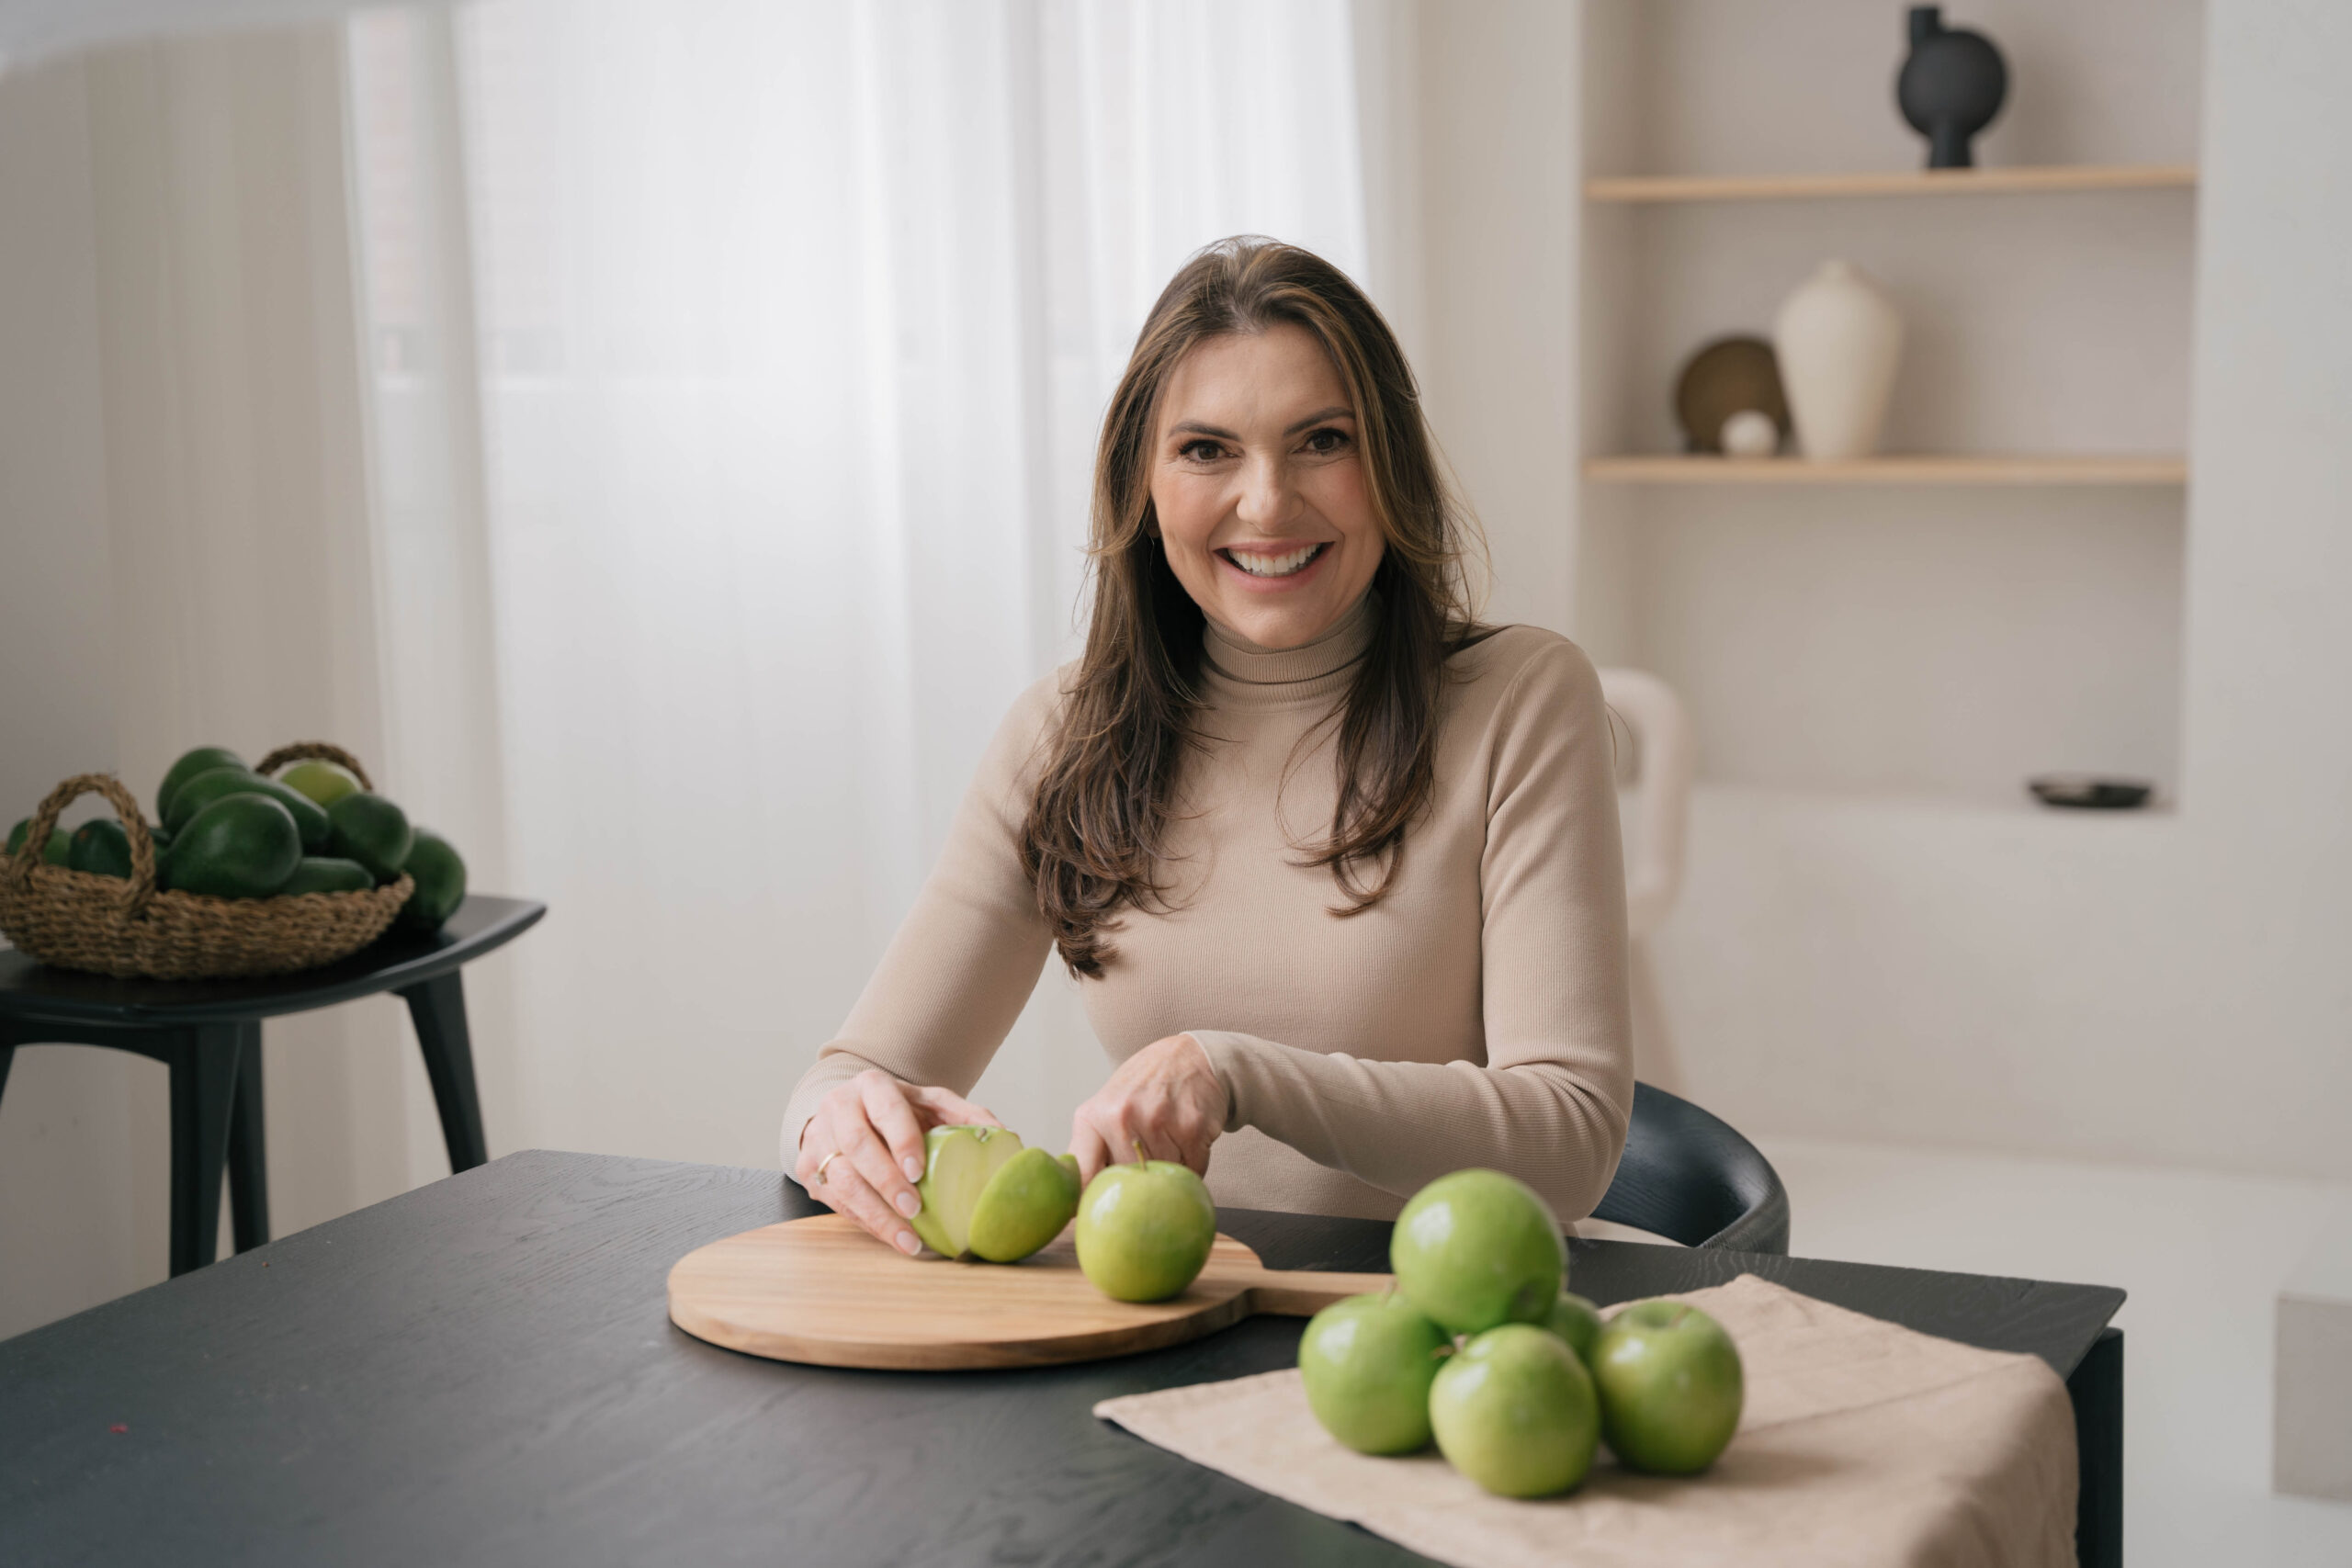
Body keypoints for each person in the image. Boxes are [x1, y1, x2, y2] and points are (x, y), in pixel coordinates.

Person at [782, 236, 1631, 1256]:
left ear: (1389, 464)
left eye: (1322, 440)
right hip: (1165, 1318)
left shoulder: (1520, 701)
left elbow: (1572, 1140)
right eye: (1206, 449)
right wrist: (832, 1126)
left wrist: (1236, 1072)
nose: (1266, 502)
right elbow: (850, 1068)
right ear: (1142, 483)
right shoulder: (1063, 736)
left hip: (1451, 1329)